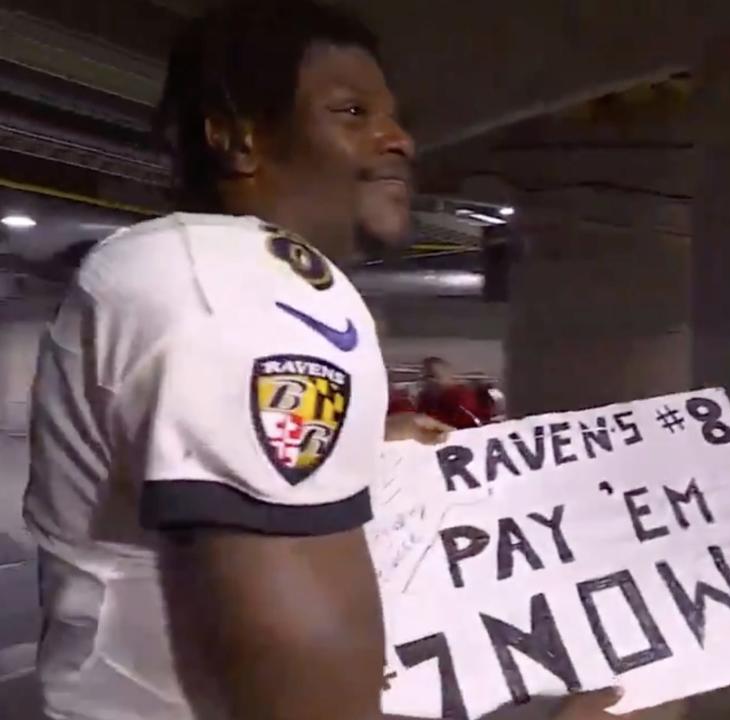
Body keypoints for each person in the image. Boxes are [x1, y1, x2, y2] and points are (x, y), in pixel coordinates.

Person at [24, 2, 628, 719]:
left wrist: (373, 448)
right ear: (237, 140)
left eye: (393, 116)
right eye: (351, 111)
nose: (398, 138)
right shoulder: (233, 285)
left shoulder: (206, 273)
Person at [416, 356, 486, 429]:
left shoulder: (460, 396)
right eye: (426, 377)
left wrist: (439, 425)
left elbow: (471, 424)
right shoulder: (426, 396)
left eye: (433, 376)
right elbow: (419, 418)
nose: (431, 381)